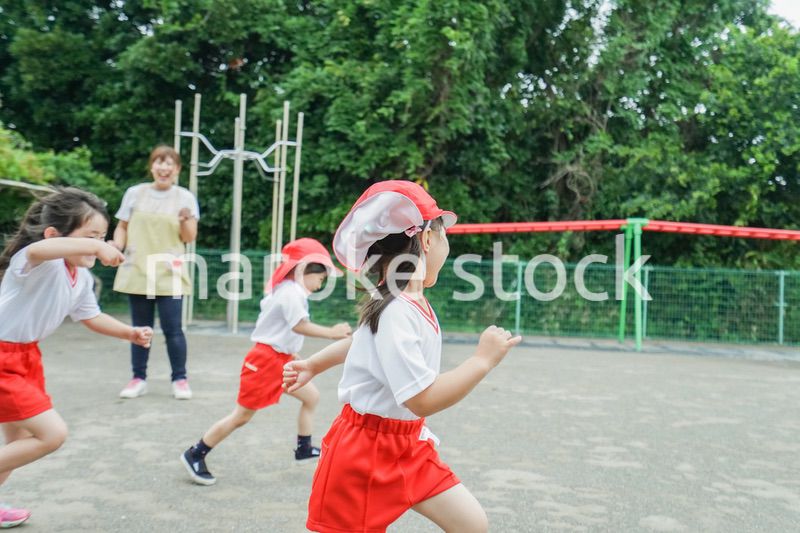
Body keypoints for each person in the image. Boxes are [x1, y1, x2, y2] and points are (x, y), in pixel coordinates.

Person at [282, 180, 522, 532]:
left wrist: (313, 364)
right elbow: (421, 399)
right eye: (444, 235)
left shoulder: (402, 301)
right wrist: (481, 361)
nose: (447, 244)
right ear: (427, 240)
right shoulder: (395, 308)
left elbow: (362, 343)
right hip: (364, 455)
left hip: (408, 446)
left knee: (473, 525)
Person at [0, 188, 153, 528]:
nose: (100, 244)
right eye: (90, 236)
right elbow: (40, 248)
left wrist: (129, 333)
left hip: (26, 358)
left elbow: (91, 316)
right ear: (56, 234)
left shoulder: (81, 277)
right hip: (2, 358)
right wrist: (97, 246)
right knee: (51, 434)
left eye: (103, 236)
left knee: (18, 442)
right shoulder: (37, 261)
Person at [180, 238, 352, 485]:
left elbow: (285, 331)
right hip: (265, 362)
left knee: (311, 397)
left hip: (281, 360)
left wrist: (293, 355)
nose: (320, 283)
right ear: (304, 270)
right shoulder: (291, 293)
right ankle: (196, 453)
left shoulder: (289, 290)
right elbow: (298, 325)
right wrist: (332, 333)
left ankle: (303, 448)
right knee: (241, 416)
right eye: (320, 278)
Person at [110, 145, 199, 400]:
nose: (164, 167)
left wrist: (185, 220)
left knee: (174, 329)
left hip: (170, 271)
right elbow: (122, 227)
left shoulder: (185, 198)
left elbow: (189, 237)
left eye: (170, 163)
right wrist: (117, 246)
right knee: (140, 328)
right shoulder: (134, 194)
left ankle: (180, 379)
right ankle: (138, 378)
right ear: (152, 166)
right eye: (159, 162)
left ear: (177, 169)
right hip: (137, 267)